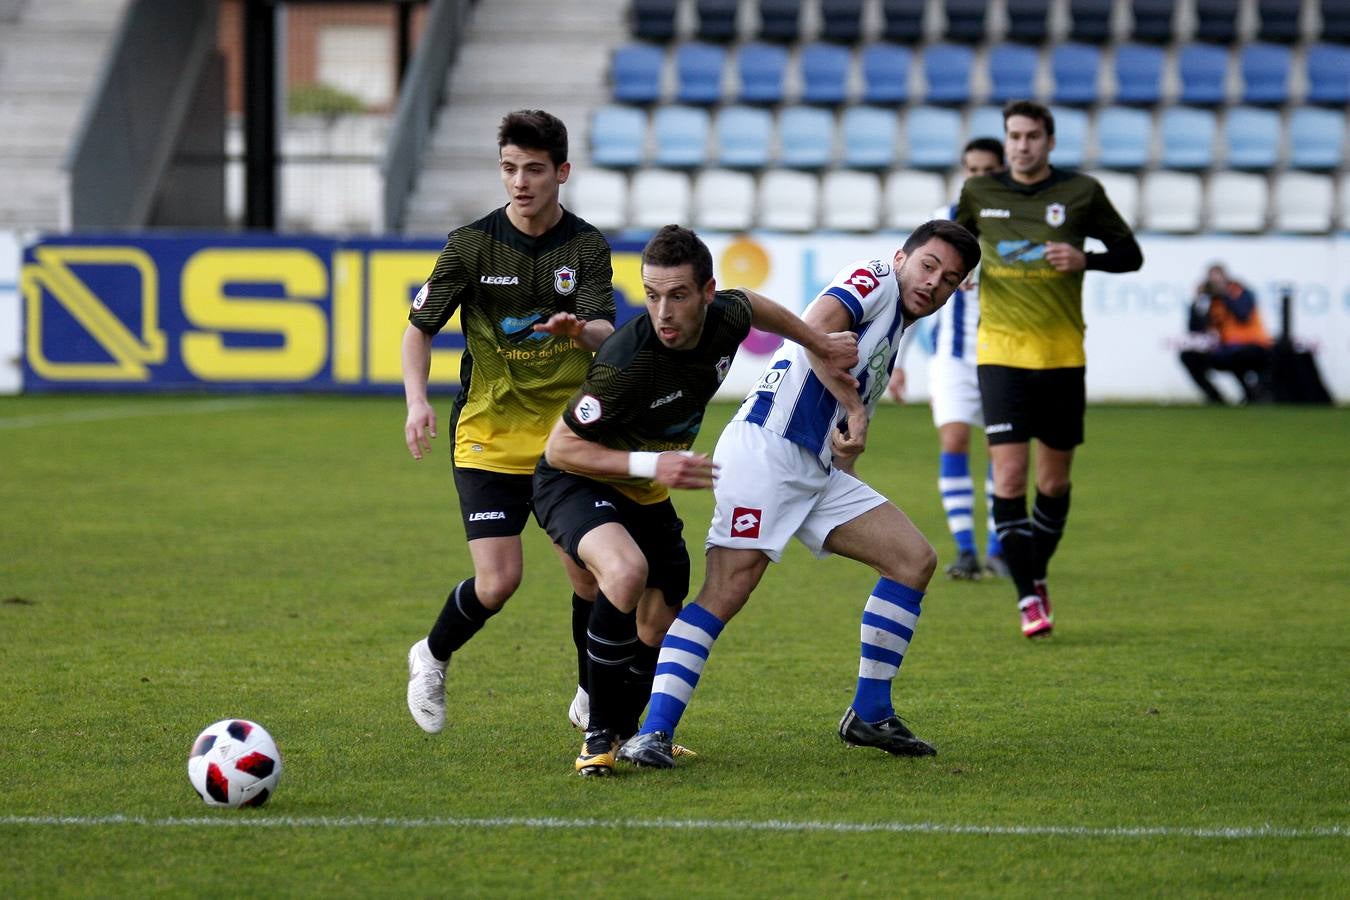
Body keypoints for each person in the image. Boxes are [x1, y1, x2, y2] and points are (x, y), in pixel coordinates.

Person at [619, 220, 983, 769]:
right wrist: (856, 408)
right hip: (768, 451)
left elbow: (841, 416)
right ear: (901, 257)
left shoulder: (896, 324)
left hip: (812, 466)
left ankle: (870, 713)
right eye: (929, 266)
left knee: (912, 560)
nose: (934, 283)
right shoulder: (875, 278)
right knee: (725, 593)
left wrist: (851, 440)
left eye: (950, 279)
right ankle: (651, 732)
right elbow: (814, 330)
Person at [534, 225, 859, 776]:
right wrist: (650, 464)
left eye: (678, 295)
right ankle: (598, 733)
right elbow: (561, 448)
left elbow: (753, 304)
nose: (663, 311)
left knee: (661, 618)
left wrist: (815, 340)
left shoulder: (725, 315)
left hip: (642, 488)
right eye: (652, 295)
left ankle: (632, 729)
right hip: (576, 480)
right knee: (625, 572)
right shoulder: (625, 361)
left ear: (707, 293)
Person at [403, 109, 617, 736]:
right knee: (499, 583)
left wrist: (579, 330)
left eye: (533, 169)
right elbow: (418, 331)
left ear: (562, 172)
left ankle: (588, 691)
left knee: (590, 572)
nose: (519, 182)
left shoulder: (585, 247)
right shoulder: (470, 245)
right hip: (488, 435)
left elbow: (607, 335)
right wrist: (417, 401)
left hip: (563, 442)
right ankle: (432, 655)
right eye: (508, 168)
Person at [954, 100, 1143, 639]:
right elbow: (953, 244)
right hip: (1000, 355)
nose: (1021, 145)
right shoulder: (979, 193)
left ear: (1050, 141)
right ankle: (1028, 595)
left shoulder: (1081, 192)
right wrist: (961, 270)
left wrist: (1088, 260)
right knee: (1009, 476)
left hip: (1062, 356)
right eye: (1014, 136)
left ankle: (1034, 571)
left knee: (1053, 482)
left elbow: (1131, 255)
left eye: (1032, 136)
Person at [888, 137, 1009, 581]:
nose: (978, 177)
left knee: (1003, 455)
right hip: (953, 356)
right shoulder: (947, 223)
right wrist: (896, 360)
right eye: (971, 169)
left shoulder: (1019, 222)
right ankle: (966, 550)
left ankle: (999, 551)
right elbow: (916, 289)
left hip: (1007, 356)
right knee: (954, 441)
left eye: (988, 169)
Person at [1179, 264, 1273, 405]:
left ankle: (1253, 395)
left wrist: (1225, 294)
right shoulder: (1211, 301)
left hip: (1254, 347)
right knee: (1189, 357)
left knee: (1237, 356)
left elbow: (1242, 316)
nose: (1216, 285)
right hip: (1227, 349)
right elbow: (1194, 329)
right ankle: (1216, 398)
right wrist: (1198, 301)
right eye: (1213, 281)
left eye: (1219, 280)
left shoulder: (1241, 292)